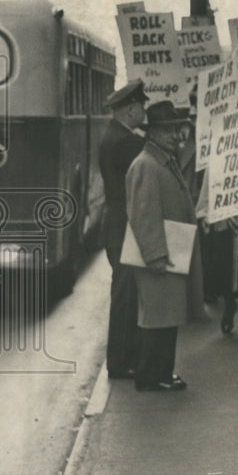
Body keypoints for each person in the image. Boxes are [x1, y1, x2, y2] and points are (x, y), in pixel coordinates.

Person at [126, 100, 201, 392]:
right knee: (157, 317)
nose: (175, 135)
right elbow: (142, 215)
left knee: (167, 315)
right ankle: (152, 375)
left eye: (176, 129)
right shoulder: (146, 164)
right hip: (160, 253)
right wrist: (155, 255)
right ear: (152, 133)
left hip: (171, 248)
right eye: (167, 130)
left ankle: (161, 372)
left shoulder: (160, 160)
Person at [98, 78, 148, 380]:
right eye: (142, 106)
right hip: (125, 226)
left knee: (125, 294)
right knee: (126, 297)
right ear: (131, 109)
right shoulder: (125, 142)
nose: (144, 111)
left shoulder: (114, 134)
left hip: (116, 226)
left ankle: (122, 359)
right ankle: (121, 362)